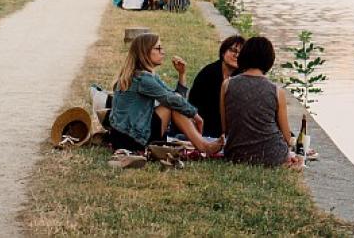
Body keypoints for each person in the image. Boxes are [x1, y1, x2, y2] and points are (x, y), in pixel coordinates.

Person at [107, 32, 221, 155]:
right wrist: (196, 116)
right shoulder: (142, 79)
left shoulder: (144, 75)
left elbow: (176, 98)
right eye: (158, 48)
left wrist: (181, 74)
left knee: (174, 103)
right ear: (144, 52)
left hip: (123, 136)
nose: (163, 52)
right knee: (172, 104)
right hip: (130, 138)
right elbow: (173, 101)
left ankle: (202, 144)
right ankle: (204, 146)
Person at [220, 36, 301, 168]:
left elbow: (226, 128)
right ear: (269, 60)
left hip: (235, 154)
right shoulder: (276, 91)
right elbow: (287, 137)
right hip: (273, 156)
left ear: (244, 56)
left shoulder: (227, 85)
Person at [189, 35, 244, 138]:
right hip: (204, 125)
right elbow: (193, 102)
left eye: (241, 53)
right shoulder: (208, 73)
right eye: (233, 51)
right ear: (223, 52)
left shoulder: (243, 77)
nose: (236, 55)